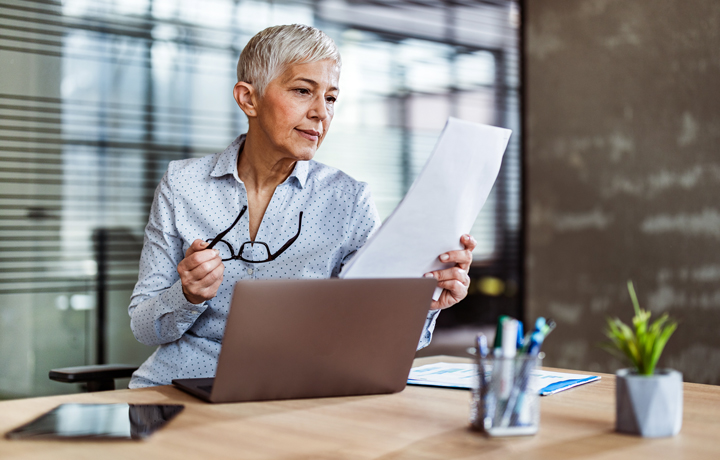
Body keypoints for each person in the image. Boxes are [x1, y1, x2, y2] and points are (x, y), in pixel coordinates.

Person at [128, 24, 476, 388]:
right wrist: (187, 295)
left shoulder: (348, 200)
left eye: (330, 98)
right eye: (302, 91)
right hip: (180, 385)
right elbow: (143, 325)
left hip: (294, 392)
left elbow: (371, 332)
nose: (321, 113)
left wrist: (424, 303)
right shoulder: (182, 185)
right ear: (249, 99)